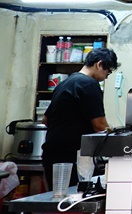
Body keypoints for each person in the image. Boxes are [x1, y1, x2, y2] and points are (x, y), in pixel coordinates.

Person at [41, 48, 119, 189]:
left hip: (52, 154)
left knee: (57, 202)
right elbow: (99, 125)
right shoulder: (88, 83)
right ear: (99, 64)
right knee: (74, 202)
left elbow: (45, 119)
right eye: (108, 71)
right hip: (71, 158)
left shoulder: (66, 83)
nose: (107, 76)